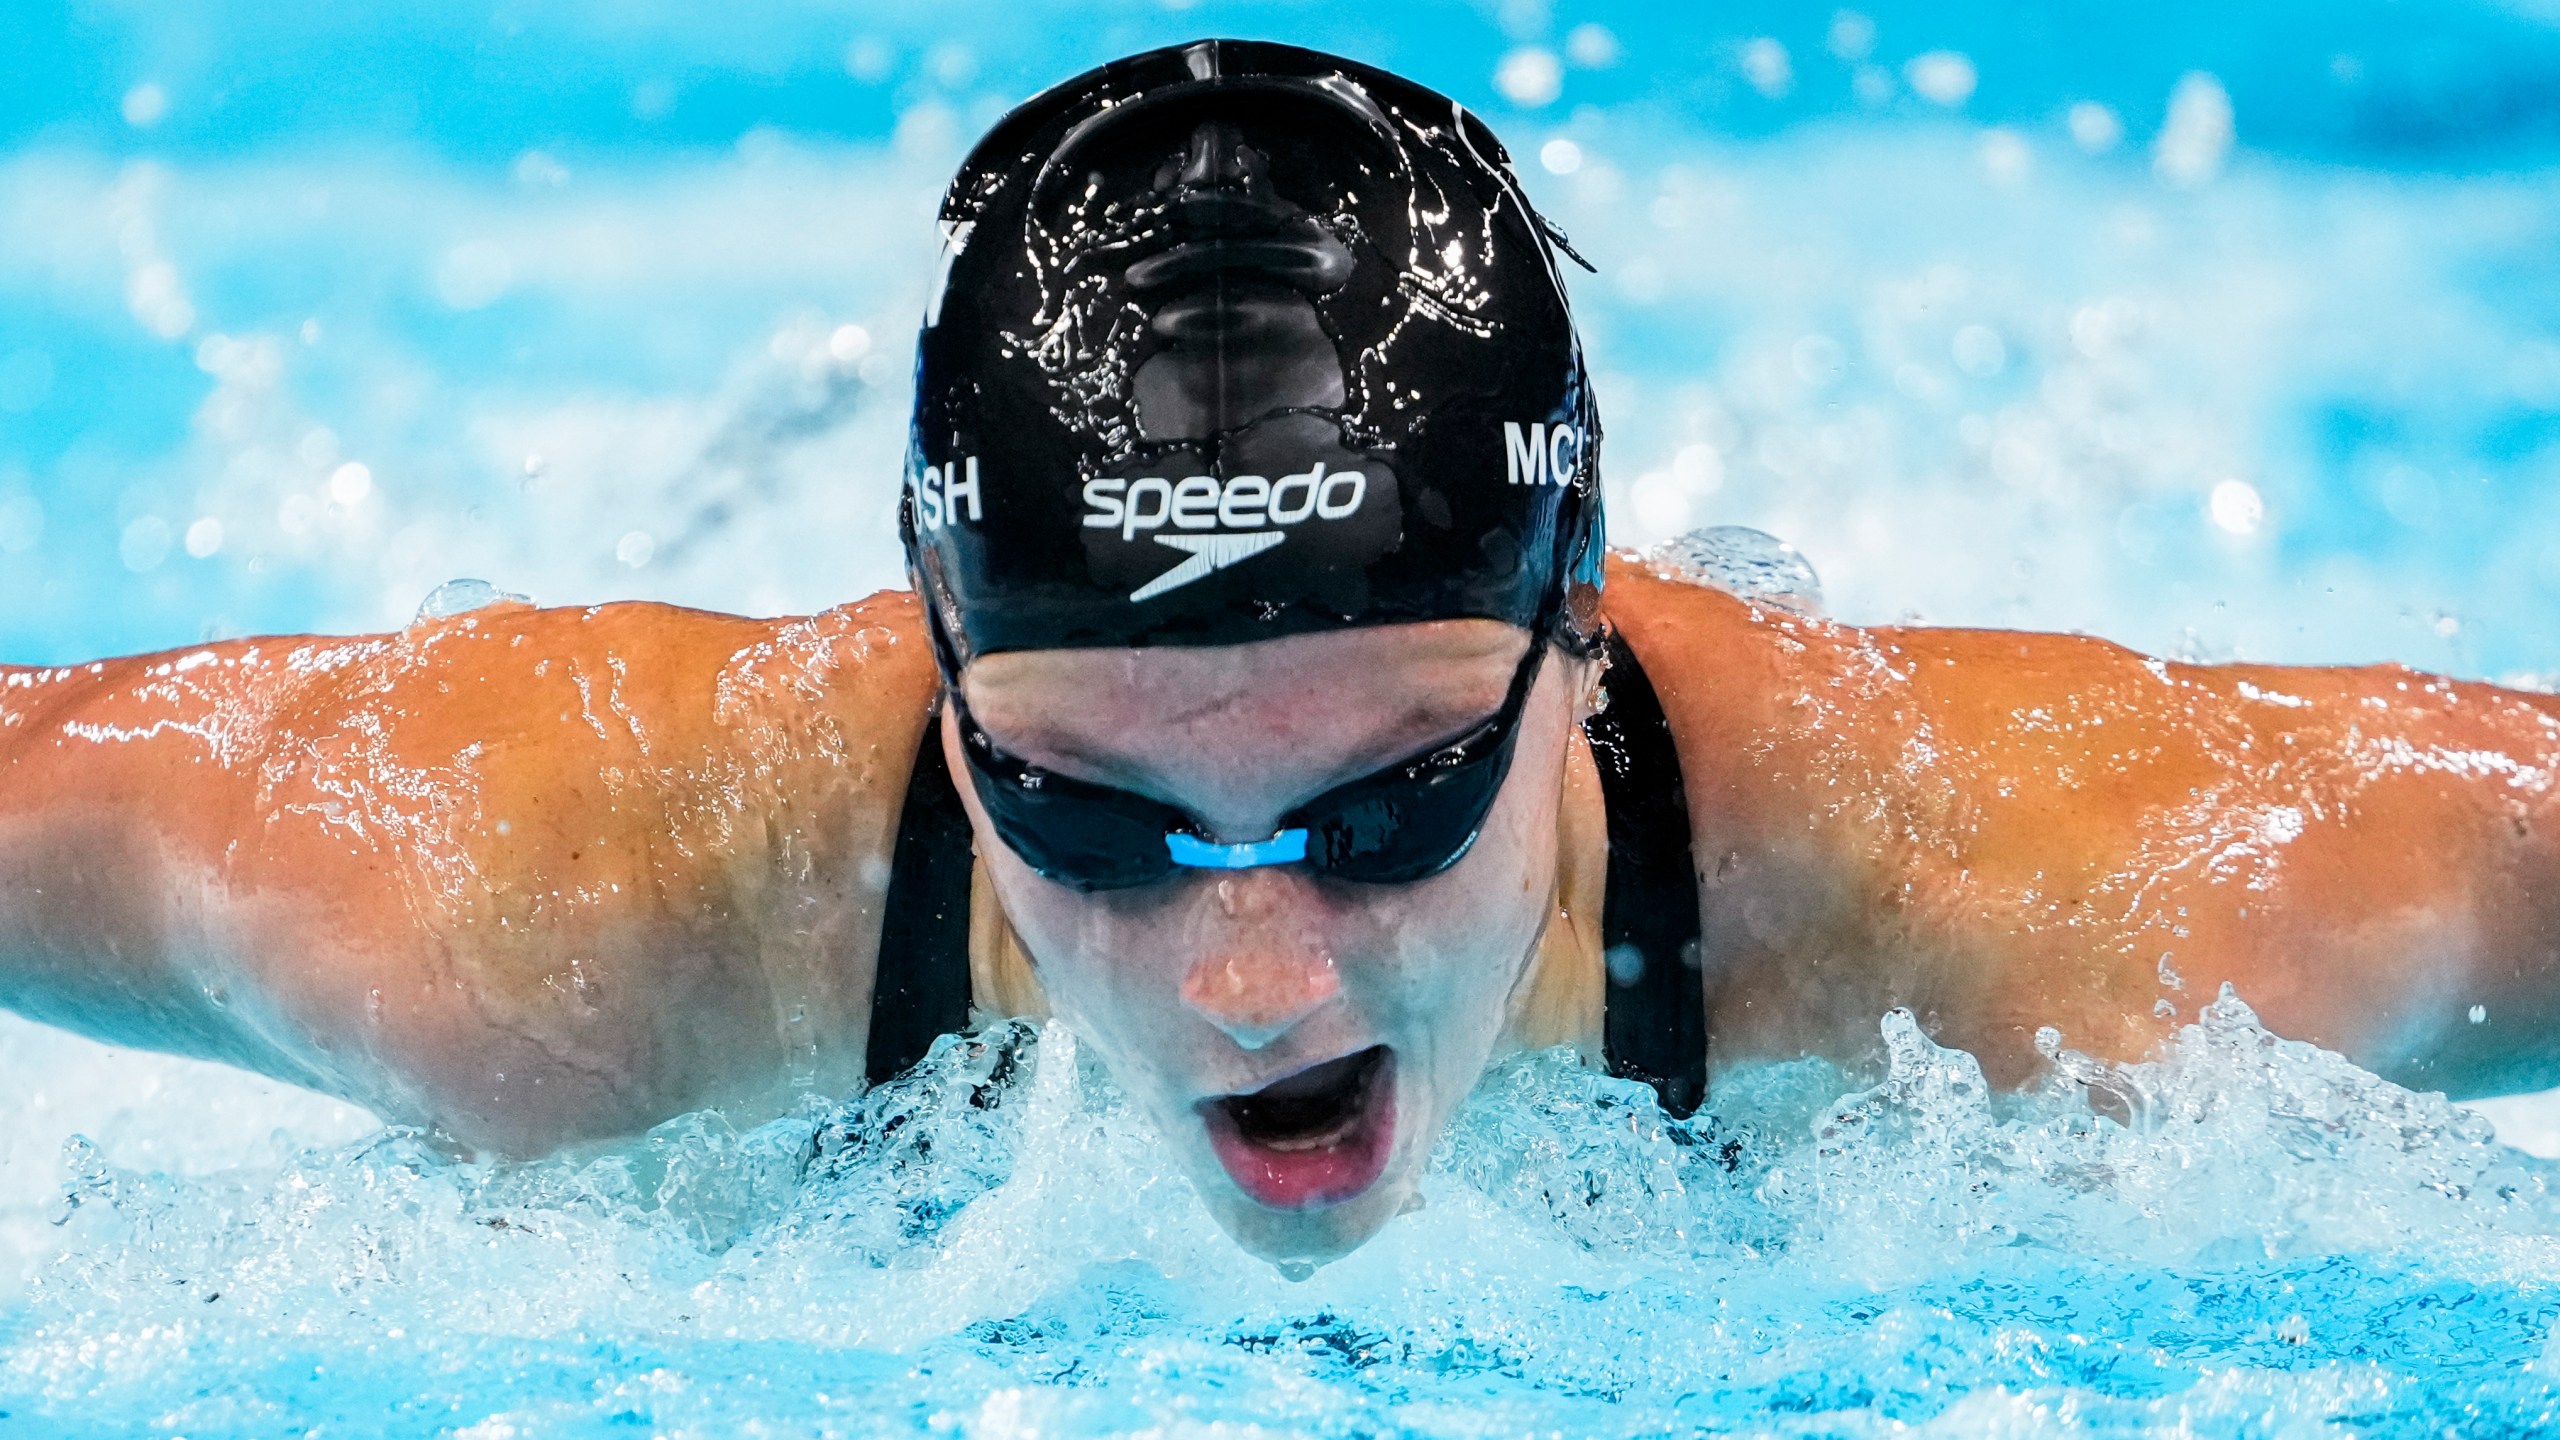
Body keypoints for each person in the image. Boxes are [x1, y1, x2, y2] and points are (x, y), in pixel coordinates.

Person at [1, 40, 2555, 1270]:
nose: (1243, 963)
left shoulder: (2057, 935)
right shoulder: (540, 911)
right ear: (941, 681)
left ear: (1582, 637)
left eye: (1387, 803)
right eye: (1093, 816)